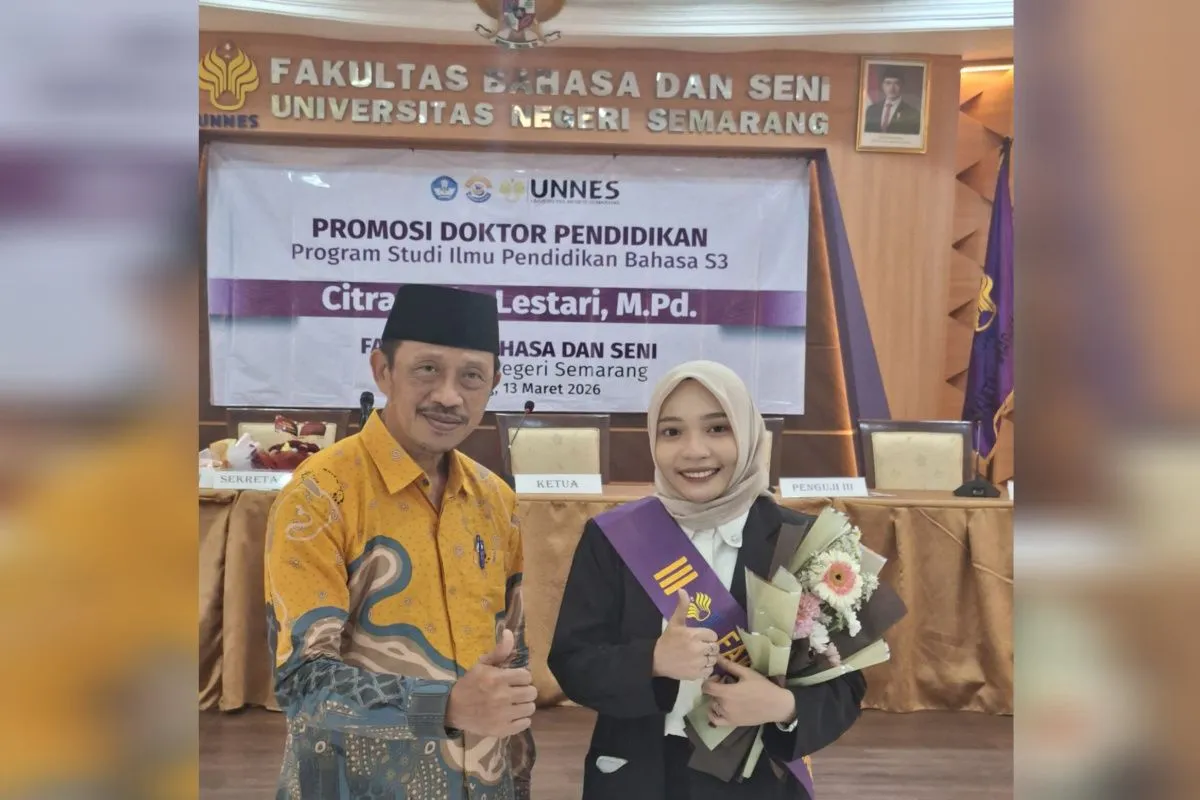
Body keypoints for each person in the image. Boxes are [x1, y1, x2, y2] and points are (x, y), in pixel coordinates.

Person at [265, 284, 536, 799]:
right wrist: (445, 705)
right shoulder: (321, 495)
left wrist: (516, 782)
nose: (449, 396)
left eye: (472, 376)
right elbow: (302, 680)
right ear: (382, 370)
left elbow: (511, 659)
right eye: (426, 369)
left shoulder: (495, 500)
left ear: (493, 384)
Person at [548, 361, 865, 800]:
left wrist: (785, 707)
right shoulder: (613, 538)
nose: (694, 451)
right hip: (638, 775)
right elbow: (573, 663)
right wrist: (652, 661)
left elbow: (846, 687)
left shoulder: (804, 544)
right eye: (672, 432)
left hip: (759, 784)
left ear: (749, 434)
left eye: (718, 428)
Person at [863, 67, 922, 135]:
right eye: (888, 83)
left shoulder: (913, 114)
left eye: (896, 83)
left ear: (902, 86)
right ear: (882, 85)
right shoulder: (871, 110)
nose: (892, 88)